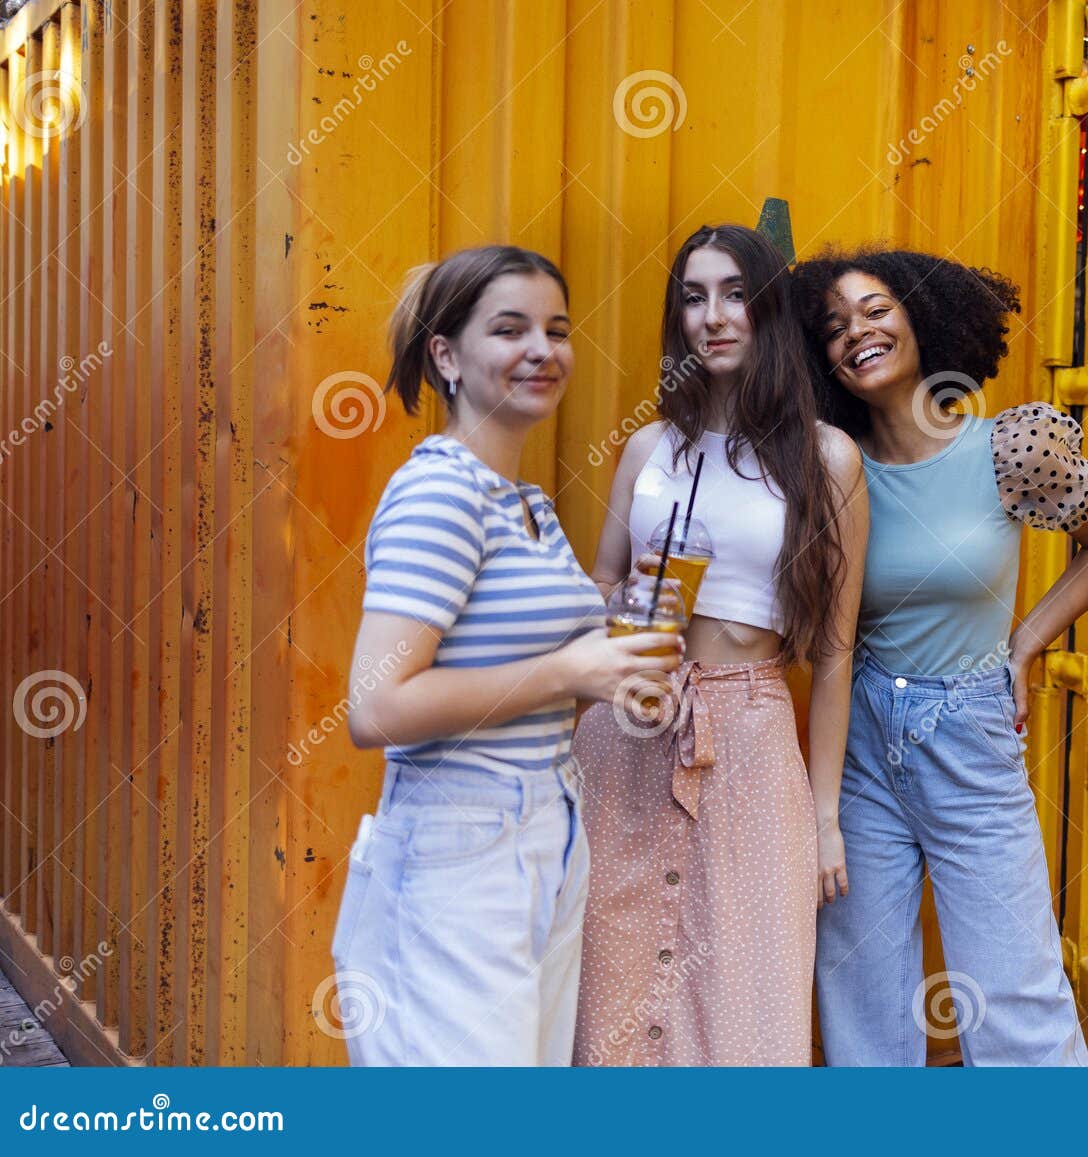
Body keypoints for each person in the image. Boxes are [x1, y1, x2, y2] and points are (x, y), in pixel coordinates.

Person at [332, 245, 682, 1066]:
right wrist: (571, 670)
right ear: (446, 356)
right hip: (461, 842)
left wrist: (610, 668)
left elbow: (530, 684)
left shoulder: (527, 505)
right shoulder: (440, 492)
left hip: (545, 830)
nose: (542, 349)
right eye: (510, 329)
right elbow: (374, 708)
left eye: (557, 330)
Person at [792, 246, 1088, 1066]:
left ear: (921, 316)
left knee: (1015, 995)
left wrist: (1022, 643)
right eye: (834, 327)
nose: (857, 334)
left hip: (970, 731)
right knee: (861, 997)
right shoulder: (830, 466)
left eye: (875, 310)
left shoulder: (1013, 446)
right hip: (862, 741)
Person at [574, 224, 867, 1065]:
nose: (714, 315)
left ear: (769, 307)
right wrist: (623, 630)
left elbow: (838, 650)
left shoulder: (827, 459)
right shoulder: (648, 448)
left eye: (736, 292)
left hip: (748, 731)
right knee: (613, 987)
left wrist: (825, 816)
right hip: (627, 728)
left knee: (746, 990)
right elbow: (600, 583)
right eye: (694, 297)